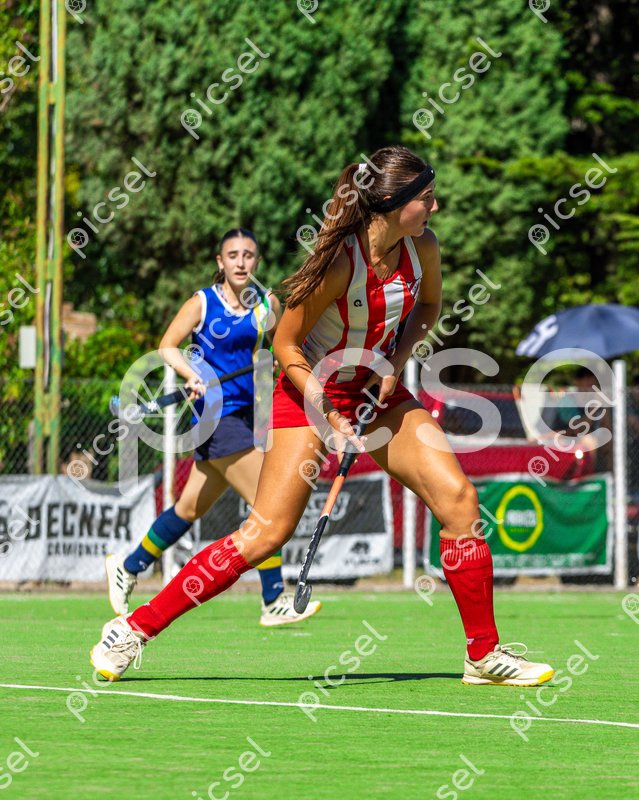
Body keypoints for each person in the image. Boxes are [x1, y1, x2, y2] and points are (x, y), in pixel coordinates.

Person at [90, 146, 554, 687]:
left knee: (459, 501)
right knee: (265, 534)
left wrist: (394, 363)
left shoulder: (422, 246)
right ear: (392, 203)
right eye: (427, 198)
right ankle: (132, 630)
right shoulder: (338, 263)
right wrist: (330, 414)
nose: (435, 206)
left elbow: (428, 308)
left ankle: (483, 655)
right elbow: (286, 346)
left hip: (376, 391)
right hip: (307, 393)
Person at [104, 228, 321, 627]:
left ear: (257, 261)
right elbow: (168, 345)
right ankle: (273, 598)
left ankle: (128, 566)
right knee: (267, 503)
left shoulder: (266, 304)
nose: (241, 262)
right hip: (214, 418)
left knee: (189, 508)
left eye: (248, 255)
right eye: (232, 255)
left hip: (245, 415)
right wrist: (192, 373)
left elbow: (281, 344)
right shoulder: (202, 302)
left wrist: (276, 358)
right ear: (220, 262)